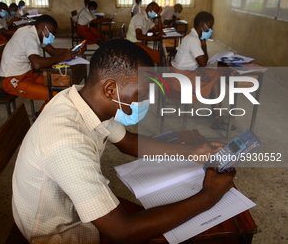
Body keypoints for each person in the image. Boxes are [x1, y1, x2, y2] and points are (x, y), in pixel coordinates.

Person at [12, 38, 236, 243]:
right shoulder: (67, 143)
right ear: (110, 89)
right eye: (141, 94)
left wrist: (192, 151)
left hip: (70, 210)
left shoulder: (83, 100)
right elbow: (123, 232)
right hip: (57, 233)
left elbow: (128, 142)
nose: (146, 101)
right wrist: (209, 196)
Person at [168, 11, 235, 131]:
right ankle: (217, 118)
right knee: (217, 77)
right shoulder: (193, 40)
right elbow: (203, 63)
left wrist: (203, 48)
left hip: (180, 73)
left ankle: (216, 114)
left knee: (215, 75)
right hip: (179, 79)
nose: (211, 30)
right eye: (210, 26)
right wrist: (204, 49)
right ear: (202, 25)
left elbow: (202, 62)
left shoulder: (192, 38)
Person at [0, 14, 78, 112]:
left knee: (62, 84)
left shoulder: (35, 33)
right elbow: (37, 64)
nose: (53, 37)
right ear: (43, 27)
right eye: (52, 33)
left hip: (28, 75)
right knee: (56, 96)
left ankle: (42, 113)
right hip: (13, 80)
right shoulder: (27, 35)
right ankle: (39, 119)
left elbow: (53, 52)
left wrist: (72, 51)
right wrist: (62, 56)